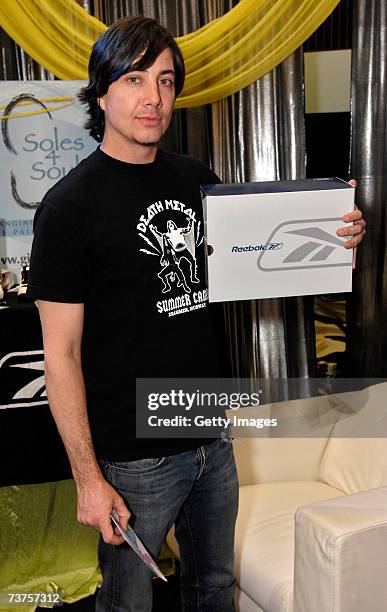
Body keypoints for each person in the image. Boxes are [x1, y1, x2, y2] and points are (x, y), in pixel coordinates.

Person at [27, 16, 366, 612]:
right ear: (101, 91)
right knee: (127, 603)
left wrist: (331, 235)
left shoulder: (197, 180)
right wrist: (87, 477)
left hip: (212, 432)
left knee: (212, 589)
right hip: (134, 457)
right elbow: (61, 354)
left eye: (164, 80)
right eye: (133, 79)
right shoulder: (67, 208)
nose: (152, 97)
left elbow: (261, 258)